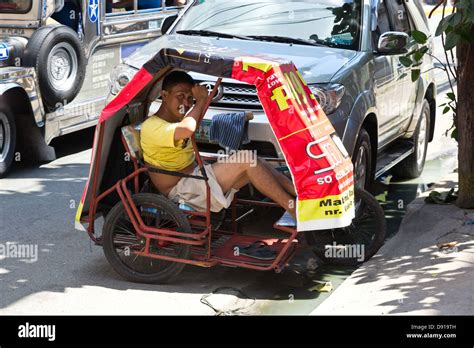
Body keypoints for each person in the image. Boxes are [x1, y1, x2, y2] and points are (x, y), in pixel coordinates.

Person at [140, 71, 297, 218]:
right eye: (180, 97)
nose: (185, 103)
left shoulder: (176, 120)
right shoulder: (152, 126)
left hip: (195, 179)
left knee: (258, 161)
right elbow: (188, 128)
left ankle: (301, 196)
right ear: (164, 95)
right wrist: (201, 99)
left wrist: (201, 102)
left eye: (190, 98)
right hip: (181, 190)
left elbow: (194, 121)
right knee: (247, 159)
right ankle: (294, 210)